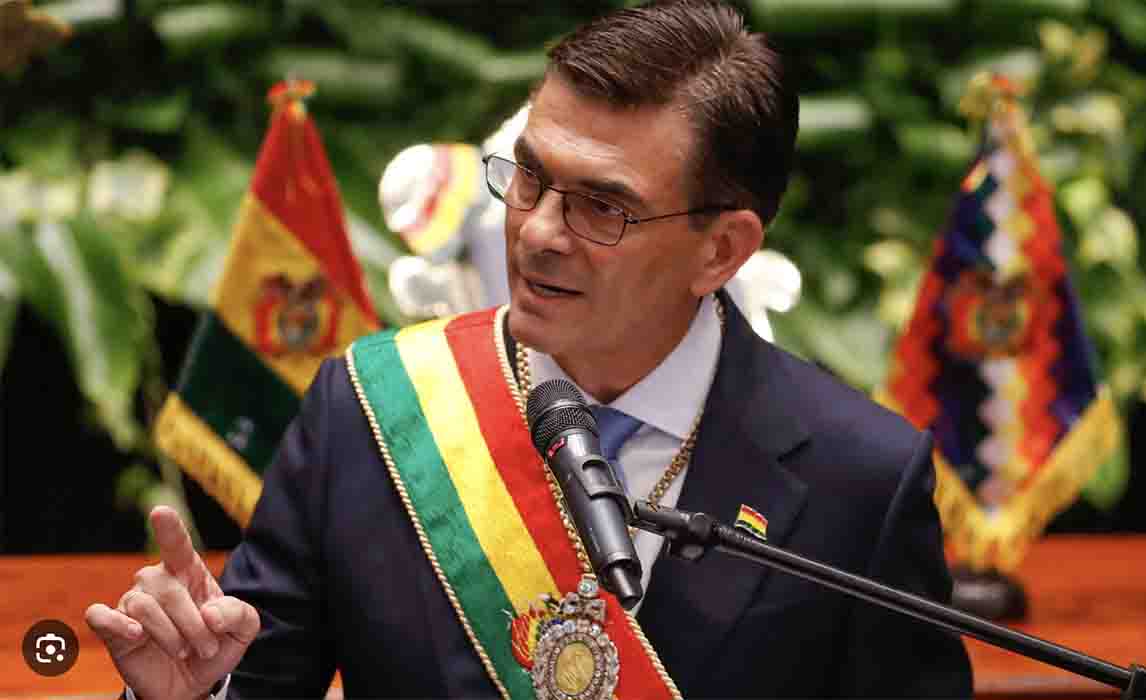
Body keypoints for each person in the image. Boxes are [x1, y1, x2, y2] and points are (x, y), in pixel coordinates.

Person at [86, 1, 973, 697]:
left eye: (602, 207)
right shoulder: (369, 411)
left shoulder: (859, 480)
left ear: (722, 250)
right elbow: (255, 682)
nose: (539, 232)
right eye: (529, 178)